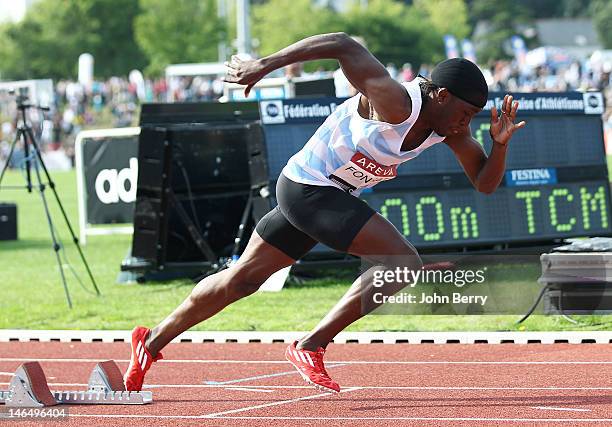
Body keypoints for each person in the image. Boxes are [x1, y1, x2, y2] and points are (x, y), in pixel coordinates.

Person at [124, 32, 525, 394]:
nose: (465, 123)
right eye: (465, 113)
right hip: (307, 189)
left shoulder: (450, 130)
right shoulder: (397, 102)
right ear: (440, 95)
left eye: (472, 117)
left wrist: (500, 145)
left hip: (325, 195)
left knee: (241, 281)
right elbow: (342, 44)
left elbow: (484, 183)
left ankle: (150, 341)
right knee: (402, 261)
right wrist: (263, 66)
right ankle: (311, 346)